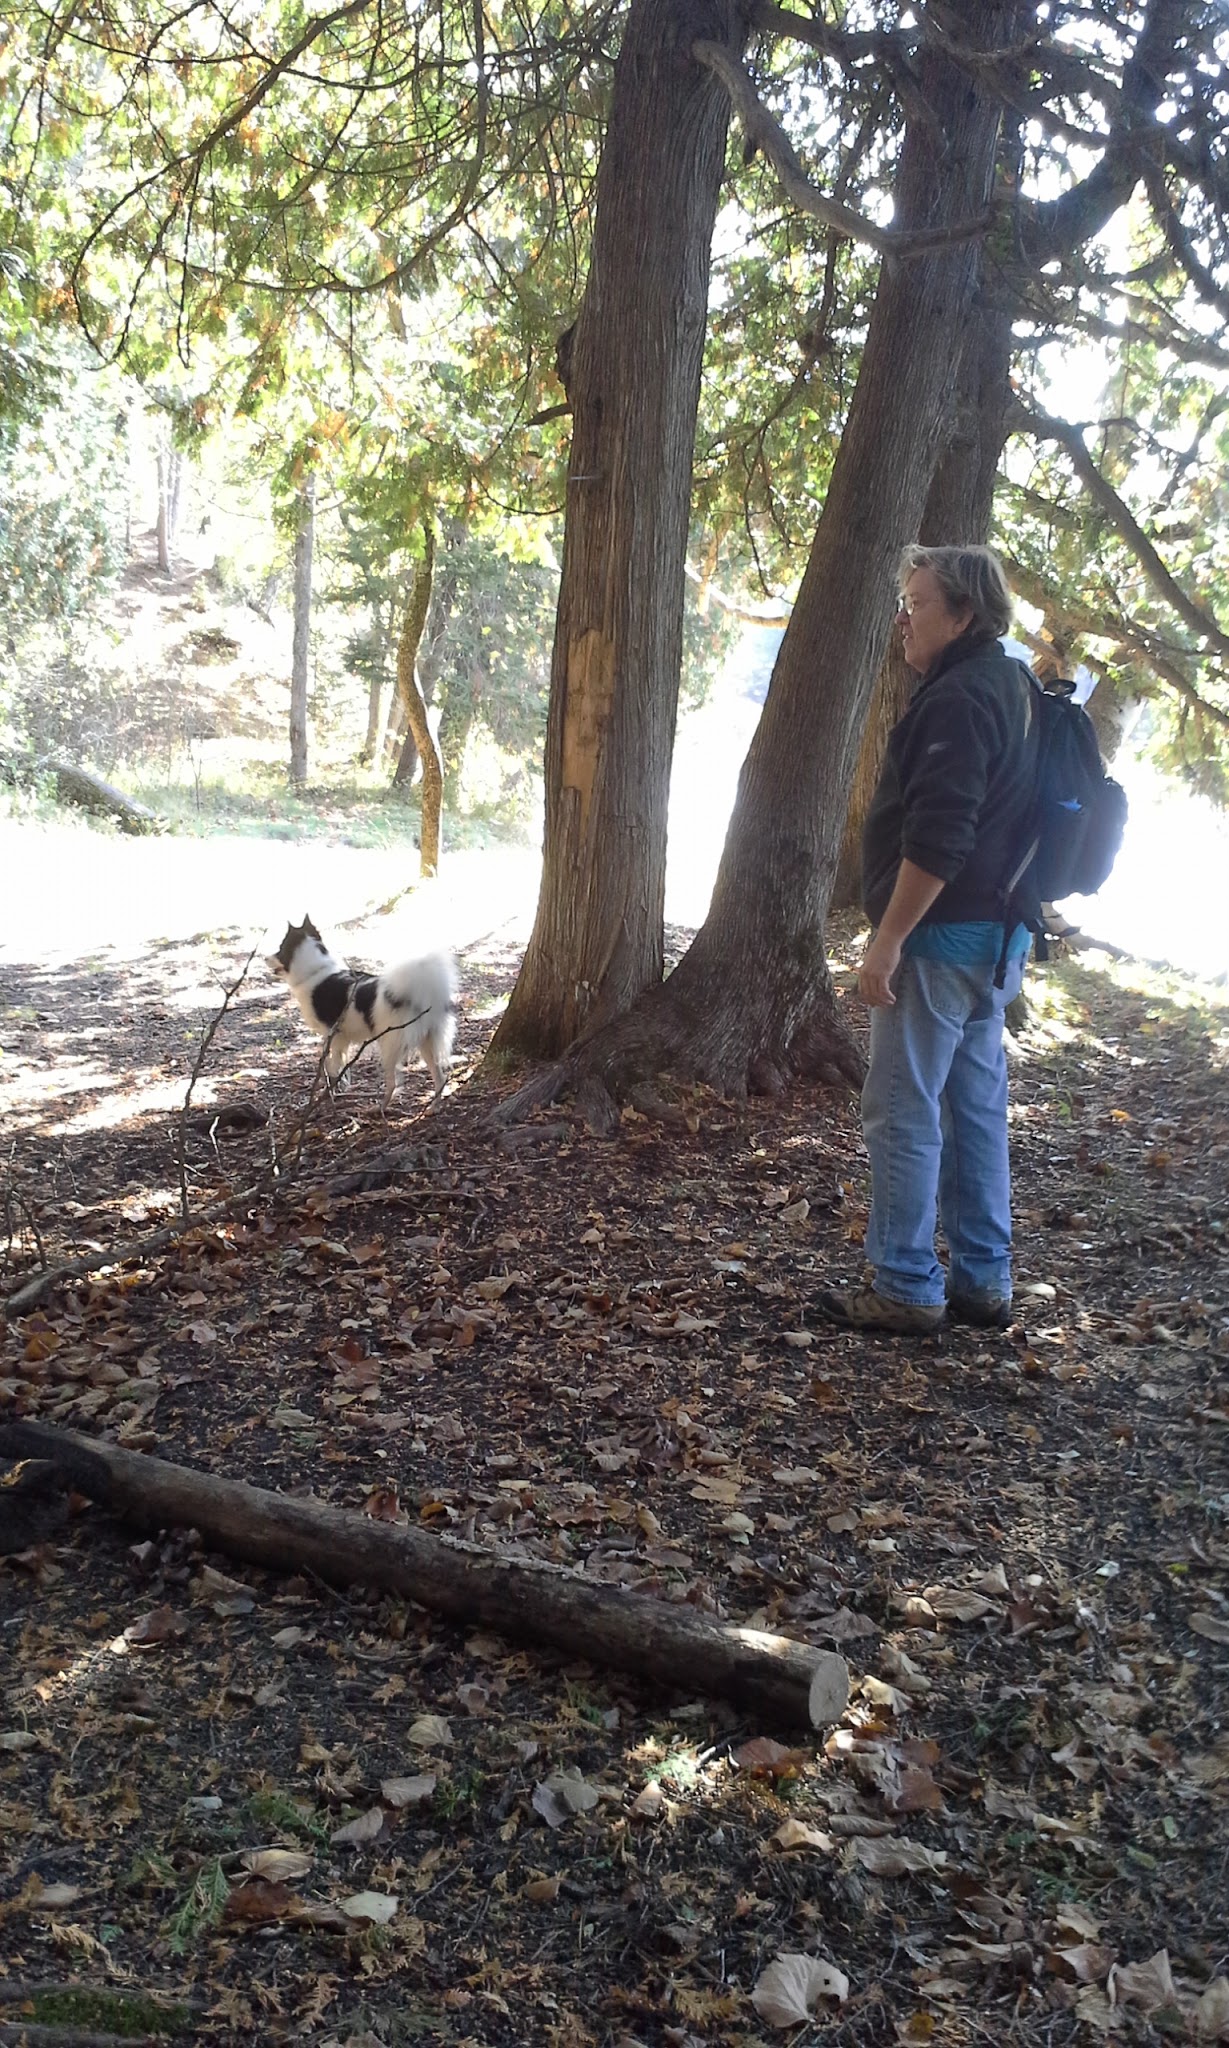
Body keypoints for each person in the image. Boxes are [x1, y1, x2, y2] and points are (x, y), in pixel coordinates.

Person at [818, 544, 1037, 1335]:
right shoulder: (1010, 685)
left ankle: (906, 1282)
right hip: (995, 941)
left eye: (917, 602)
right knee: (972, 1106)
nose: (902, 618)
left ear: (963, 616)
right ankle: (983, 1280)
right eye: (903, 598)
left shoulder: (955, 701)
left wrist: (887, 941)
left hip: (941, 940)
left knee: (902, 1108)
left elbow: (939, 839)